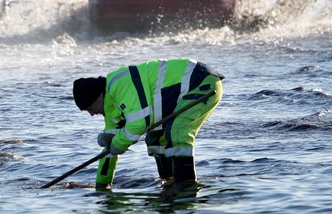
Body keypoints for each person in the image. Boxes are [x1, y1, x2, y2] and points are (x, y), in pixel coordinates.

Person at [72, 59, 223, 198]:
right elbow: (109, 151)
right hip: (181, 94)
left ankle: (186, 186)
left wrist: (117, 144)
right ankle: (169, 181)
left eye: (89, 108)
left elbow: (139, 124)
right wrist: (101, 186)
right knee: (155, 139)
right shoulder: (111, 111)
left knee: (176, 132)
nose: (92, 114)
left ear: (98, 96)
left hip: (200, 82)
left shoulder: (119, 84)